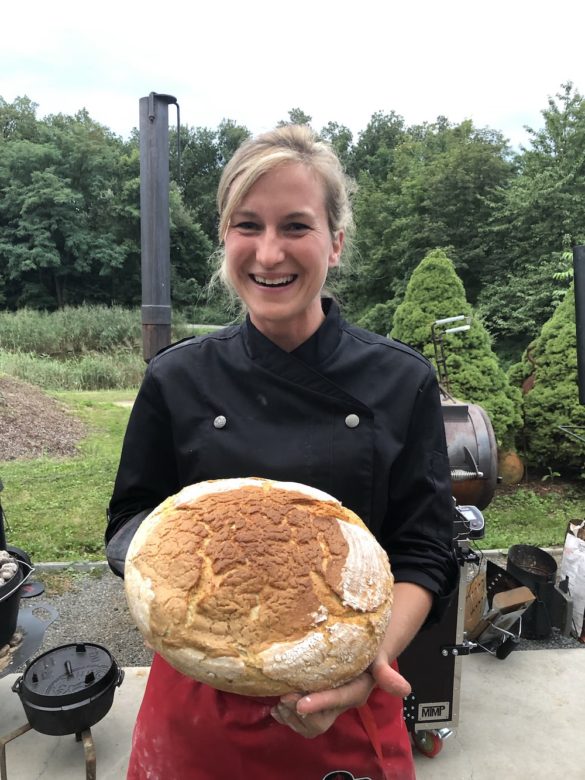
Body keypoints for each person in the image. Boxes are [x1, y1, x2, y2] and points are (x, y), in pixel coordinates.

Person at [106, 124, 458, 780]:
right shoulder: (176, 379)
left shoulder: (399, 380)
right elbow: (128, 524)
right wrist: (186, 562)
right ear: (224, 237)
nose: (269, 253)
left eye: (295, 225)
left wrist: (367, 663)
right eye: (248, 225)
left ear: (335, 241)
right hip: (198, 703)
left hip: (347, 697)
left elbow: (424, 552)